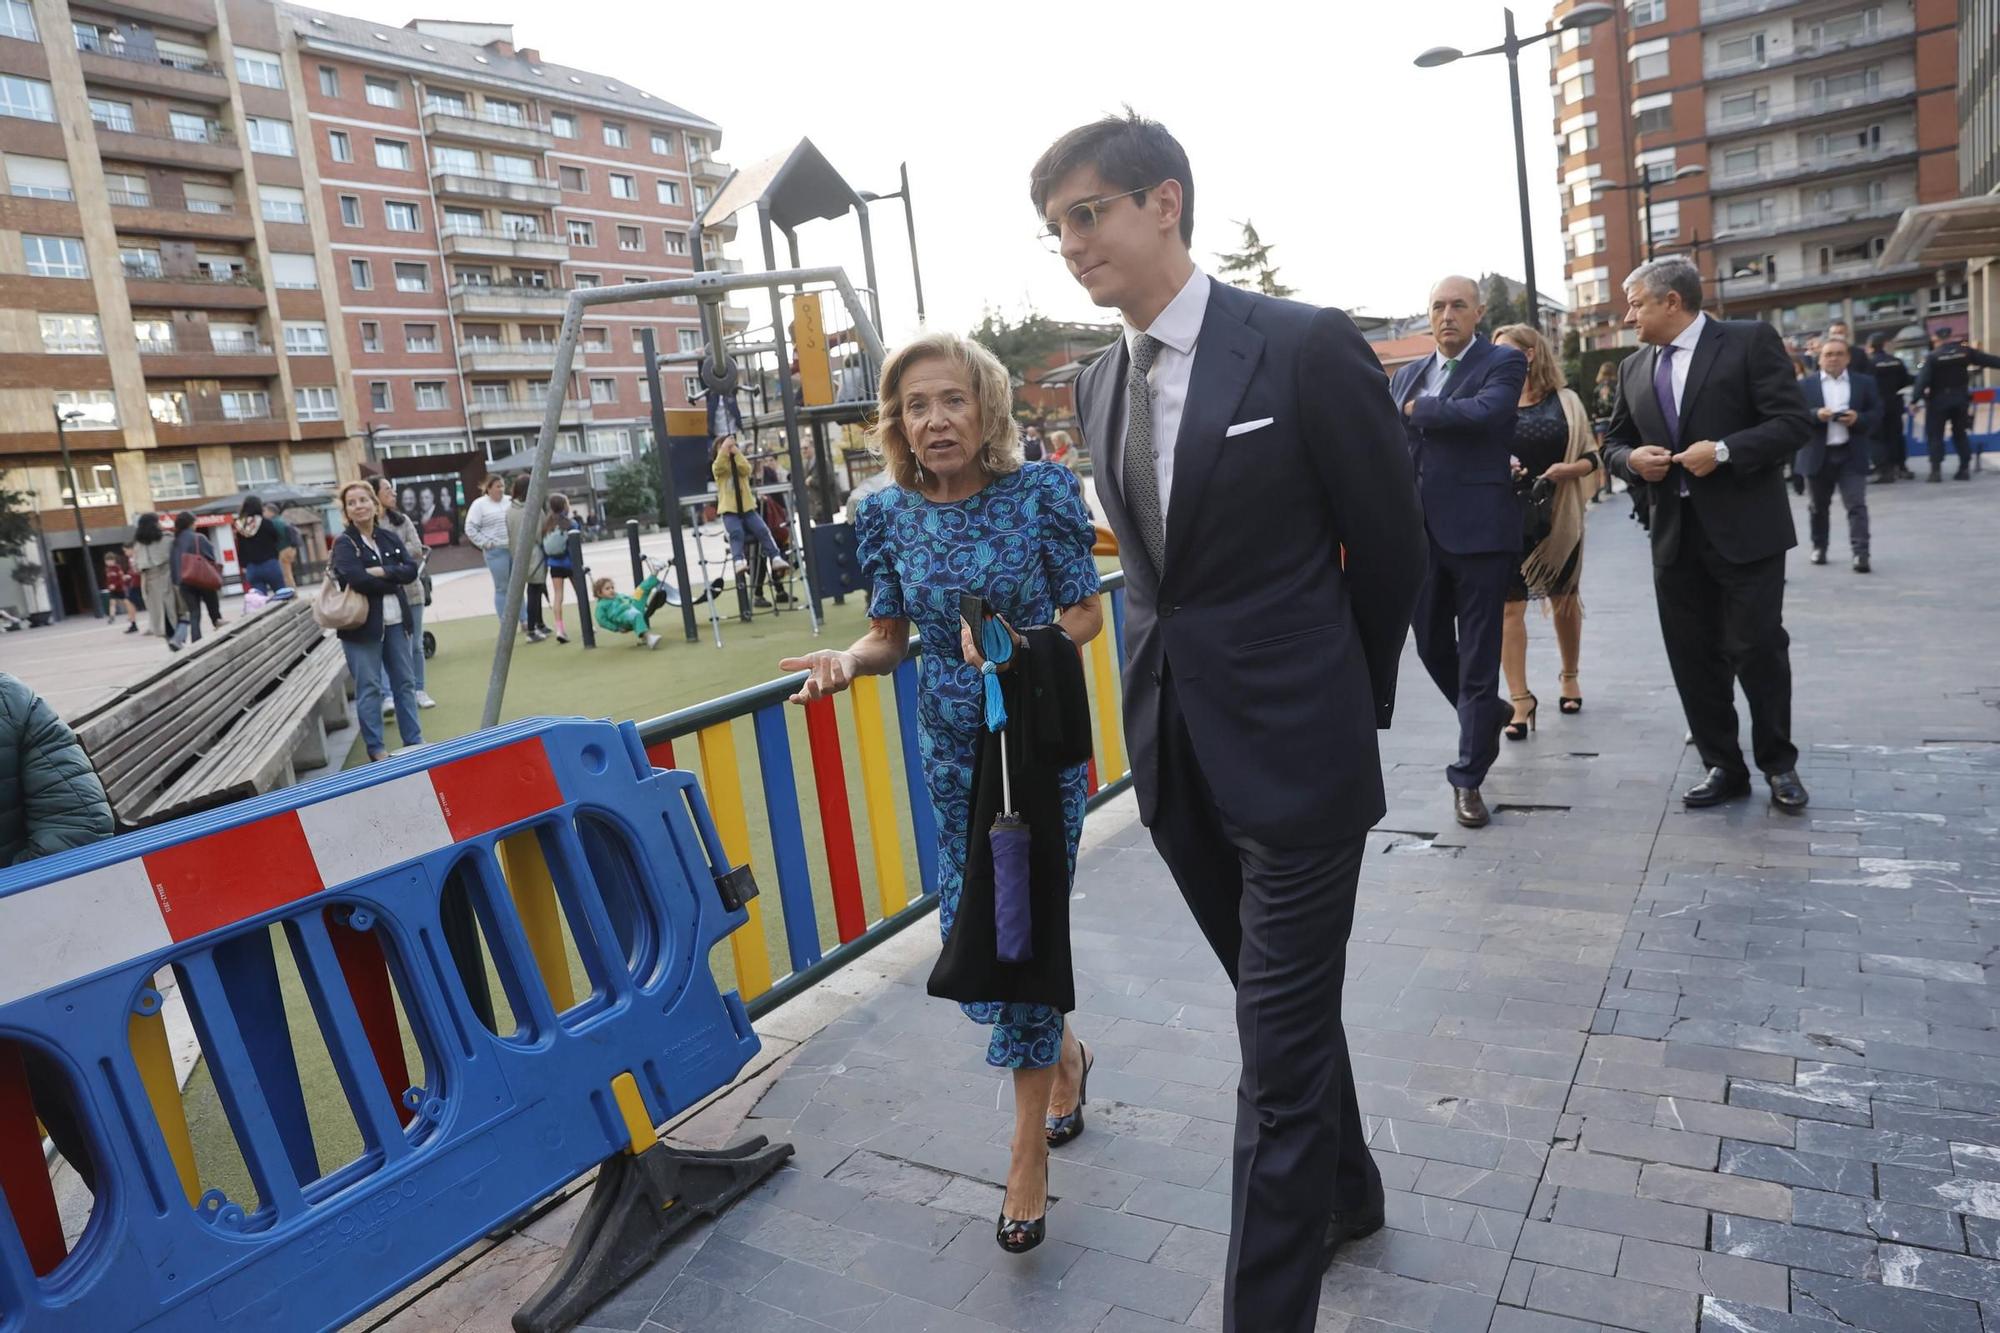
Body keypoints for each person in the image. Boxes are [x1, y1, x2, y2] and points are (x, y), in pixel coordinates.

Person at [1035, 113, 1425, 1331]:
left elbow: (1393, 547)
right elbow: (1153, 575)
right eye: (1052, 229)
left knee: (1272, 1062)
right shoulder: (1098, 380)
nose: (1068, 244)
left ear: (1164, 203)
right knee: (1281, 1012)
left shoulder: (1300, 347)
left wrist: (1340, 704)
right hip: (1175, 758)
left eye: (1085, 213)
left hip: (1298, 755)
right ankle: (1347, 1189)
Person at [779, 329, 1106, 1259]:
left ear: (986, 406)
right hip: (954, 758)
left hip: (1033, 754)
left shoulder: (1040, 491)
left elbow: (1082, 609)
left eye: (951, 400)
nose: (934, 421)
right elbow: (889, 635)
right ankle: (1066, 1056)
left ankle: (1023, 1161)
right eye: (915, 406)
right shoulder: (885, 516)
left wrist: (1017, 645)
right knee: (989, 929)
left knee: (1024, 932)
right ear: (897, 423)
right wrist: (849, 659)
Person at [1601, 257, 1812, 812]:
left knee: (1758, 649)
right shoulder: (1633, 368)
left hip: (1747, 532)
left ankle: (1779, 765)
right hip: (1674, 536)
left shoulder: (1747, 342)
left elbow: (1792, 423)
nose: (1628, 315)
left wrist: (1723, 451)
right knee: (1691, 656)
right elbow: (1612, 443)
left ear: (1672, 302)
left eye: (1636, 302)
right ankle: (1722, 765)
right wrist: (1630, 460)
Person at [1387, 276, 1528, 830]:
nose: (1447, 315)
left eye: (1458, 306)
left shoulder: (1501, 362)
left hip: (1481, 533)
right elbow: (1389, 442)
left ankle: (1468, 777)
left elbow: (1486, 413)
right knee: (1430, 650)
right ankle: (1488, 714)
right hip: (1420, 537)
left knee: (1476, 657)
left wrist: (1420, 410)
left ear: (1478, 313)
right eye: (1438, 306)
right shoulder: (1405, 374)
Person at [1, 669, 115, 1192]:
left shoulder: (11, 703)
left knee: (64, 1074)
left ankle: (135, 1218)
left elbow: (80, 824)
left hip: (23, 949)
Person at [1492, 323, 1598, 735]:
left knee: (1565, 599)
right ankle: (1520, 699)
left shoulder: (1566, 401)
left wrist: (1567, 470)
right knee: (1507, 607)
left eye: (1506, 351)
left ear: (1530, 353)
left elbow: (1592, 456)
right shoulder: (1493, 401)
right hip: (1507, 514)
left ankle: (1569, 674)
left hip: (1558, 514)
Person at [329, 481, 423, 762]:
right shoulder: (345, 543)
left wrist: (381, 572)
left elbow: (410, 571)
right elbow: (354, 579)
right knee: (369, 686)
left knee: (405, 682)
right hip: (362, 626)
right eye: (352, 503)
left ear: (374, 504)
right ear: (346, 511)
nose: (358, 506)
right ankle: (376, 749)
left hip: (396, 621)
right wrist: (390, 579)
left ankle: (414, 741)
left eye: (363, 500)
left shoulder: (388, 537)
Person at [1796, 337, 1882, 573]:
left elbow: (1877, 413)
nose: (1833, 358)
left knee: (1856, 505)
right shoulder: (1805, 386)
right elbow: (1794, 416)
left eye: (1839, 353)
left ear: (1848, 357)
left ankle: (1861, 553)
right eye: (1828, 354)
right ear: (1819, 358)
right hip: (1817, 454)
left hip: (1850, 453)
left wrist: (1858, 419)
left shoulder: (1864, 383)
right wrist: (1816, 415)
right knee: (1817, 506)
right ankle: (1819, 547)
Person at [373, 480, 436, 709]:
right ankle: (388, 694)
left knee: (416, 643)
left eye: (392, 489)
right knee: (386, 643)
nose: (393, 492)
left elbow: (417, 548)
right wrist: (398, 555)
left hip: (410, 589)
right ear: (375, 494)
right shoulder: (367, 525)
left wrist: (389, 556)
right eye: (387, 489)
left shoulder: (402, 520)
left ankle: (419, 689)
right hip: (383, 593)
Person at [1914, 326, 2000, 481]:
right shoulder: (1964, 352)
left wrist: (1914, 399)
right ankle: (1964, 468)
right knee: (1960, 434)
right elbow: (1988, 360)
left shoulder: (1932, 356)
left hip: (1938, 401)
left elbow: (1922, 381)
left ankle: (1936, 471)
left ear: (1936, 339)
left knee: (1935, 435)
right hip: (1960, 399)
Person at [712, 436, 792, 582]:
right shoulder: (720, 469)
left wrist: (737, 453)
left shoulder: (739, 465)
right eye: (723, 448)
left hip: (747, 508)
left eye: (730, 447)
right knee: (736, 533)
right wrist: (724, 449)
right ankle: (738, 560)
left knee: (763, 530)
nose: (727, 449)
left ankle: (775, 557)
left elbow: (747, 469)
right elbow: (718, 466)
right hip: (730, 511)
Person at [464, 474, 517, 624]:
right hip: (496, 551)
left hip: (512, 548)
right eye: (497, 486)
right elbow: (470, 528)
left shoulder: (509, 501)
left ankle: (524, 619)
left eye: (502, 486)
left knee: (517, 586)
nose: (501, 489)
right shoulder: (479, 505)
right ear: (489, 489)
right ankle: (505, 621)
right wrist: (485, 543)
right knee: (502, 587)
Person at [168, 512, 222, 646]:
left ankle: (196, 642)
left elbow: (173, 564)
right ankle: (221, 630)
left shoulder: (174, 542)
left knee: (194, 613)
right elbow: (210, 557)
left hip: (184, 582)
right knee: (213, 609)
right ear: (191, 523)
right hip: (202, 578)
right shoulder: (199, 538)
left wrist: (178, 582)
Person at [1866, 334, 1914, 482]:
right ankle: (1900, 466)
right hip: (1894, 404)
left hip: (1876, 405)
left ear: (1871, 347)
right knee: (1896, 436)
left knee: (1876, 438)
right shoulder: (1896, 361)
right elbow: (1906, 380)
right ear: (1884, 344)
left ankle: (1883, 469)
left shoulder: (1869, 364)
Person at [509, 475, 551, 643]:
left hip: (517, 556)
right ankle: (532, 629)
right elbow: (541, 533)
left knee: (533, 590)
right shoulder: (534, 509)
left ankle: (538, 624)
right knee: (535, 591)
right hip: (535, 555)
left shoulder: (510, 510)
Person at [591, 570, 669, 648]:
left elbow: (630, 599)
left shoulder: (618, 595)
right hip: (623, 618)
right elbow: (602, 621)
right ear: (599, 593)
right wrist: (616, 628)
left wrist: (640, 602)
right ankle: (649, 638)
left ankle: (655, 572)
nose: (611, 590)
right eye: (607, 589)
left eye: (612, 587)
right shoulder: (601, 606)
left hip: (632, 607)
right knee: (635, 614)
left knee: (639, 591)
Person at [541, 493, 580, 643]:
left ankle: (560, 629)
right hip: (570, 563)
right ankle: (586, 624)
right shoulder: (571, 524)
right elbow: (575, 545)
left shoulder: (547, 525)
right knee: (580, 594)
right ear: (564, 505)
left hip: (554, 565)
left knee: (558, 596)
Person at [130, 512, 174, 638]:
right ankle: (176, 635)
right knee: (173, 609)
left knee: (157, 611)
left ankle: (165, 635)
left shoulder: (138, 544)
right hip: (167, 576)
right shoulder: (167, 538)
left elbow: (136, 567)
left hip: (149, 580)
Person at [233, 496, 286, 598]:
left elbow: (241, 548)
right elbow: (276, 538)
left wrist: (243, 564)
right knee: (282, 595)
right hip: (270, 563)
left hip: (252, 567)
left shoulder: (240, 526)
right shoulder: (266, 523)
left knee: (259, 601)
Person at [1590, 362, 1619, 504]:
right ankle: (1609, 486)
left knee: (1602, 453)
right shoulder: (1616, 386)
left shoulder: (1597, 389)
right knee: (1616, 450)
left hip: (1600, 424)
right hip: (1613, 422)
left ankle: (1597, 490)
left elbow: (1594, 409)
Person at [264, 502, 300, 587]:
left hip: (283, 549)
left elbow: (274, 538)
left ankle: (291, 592)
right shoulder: (282, 520)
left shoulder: (274, 522)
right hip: (291, 548)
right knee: (288, 572)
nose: (263, 513)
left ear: (271, 512)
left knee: (285, 573)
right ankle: (292, 590)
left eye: (265, 511)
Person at [104, 548, 139, 634]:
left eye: (111, 560)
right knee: (112, 602)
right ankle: (112, 616)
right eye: (107, 561)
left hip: (120, 588)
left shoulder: (117, 568)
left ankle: (130, 616)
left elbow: (121, 578)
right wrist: (109, 586)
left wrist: (116, 585)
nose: (109, 563)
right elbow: (108, 580)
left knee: (127, 602)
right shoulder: (107, 569)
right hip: (112, 589)